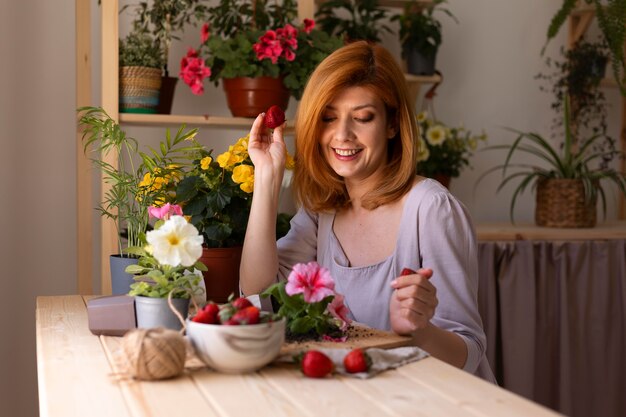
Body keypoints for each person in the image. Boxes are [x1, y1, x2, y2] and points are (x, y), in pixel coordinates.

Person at [240, 41, 495, 382]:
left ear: (392, 124)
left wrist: (418, 329)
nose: (342, 134)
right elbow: (257, 290)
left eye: (362, 118)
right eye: (329, 117)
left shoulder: (431, 209)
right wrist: (268, 175)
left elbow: (469, 351)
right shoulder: (324, 210)